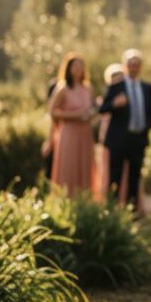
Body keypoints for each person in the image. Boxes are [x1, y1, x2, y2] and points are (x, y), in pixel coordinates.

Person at [99, 48, 151, 213]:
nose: (134, 68)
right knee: (114, 177)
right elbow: (103, 108)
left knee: (134, 177)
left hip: (138, 139)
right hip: (118, 139)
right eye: (131, 65)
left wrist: (145, 128)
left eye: (137, 65)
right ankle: (112, 210)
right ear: (125, 66)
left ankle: (132, 212)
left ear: (141, 67)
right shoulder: (116, 86)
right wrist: (114, 104)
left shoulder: (147, 88)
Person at [48, 52, 97, 197]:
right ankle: (66, 198)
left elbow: (92, 107)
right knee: (69, 165)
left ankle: (84, 198)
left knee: (84, 164)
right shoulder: (62, 88)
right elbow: (52, 112)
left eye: (80, 66)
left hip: (85, 132)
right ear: (68, 69)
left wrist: (91, 114)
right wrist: (74, 116)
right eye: (75, 66)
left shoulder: (88, 88)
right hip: (69, 132)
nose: (78, 69)